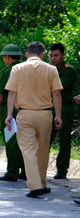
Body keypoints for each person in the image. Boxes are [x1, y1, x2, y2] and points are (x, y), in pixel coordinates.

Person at [4, 41, 63, 198]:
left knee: (28, 150)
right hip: (45, 114)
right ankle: (42, 183)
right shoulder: (51, 69)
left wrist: (9, 115)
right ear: (43, 54)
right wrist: (58, 115)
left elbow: (11, 93)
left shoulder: (17, 68)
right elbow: (57, 94)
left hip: (24, 114)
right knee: (43, 150)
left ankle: (35, 186)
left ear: (27, 54)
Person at [0, 44, 26, 182]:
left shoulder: (8, 72)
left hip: (10, 109)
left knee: (11, 139)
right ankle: (25, 170)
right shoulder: (25, 68)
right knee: (25, 140)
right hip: (26, 108)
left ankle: (12, 172)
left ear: (6, 57)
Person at [48, 43, 76, 179]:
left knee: (64, 140)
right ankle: (39, 166)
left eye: (56, 55)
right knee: (45, 139)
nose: (53, 58)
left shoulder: (69, 71)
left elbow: (57, 87)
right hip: (48, 107)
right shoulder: (45, 69)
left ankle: (62, 169)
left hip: (65, 107)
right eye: (51, 55)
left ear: (63, 55)